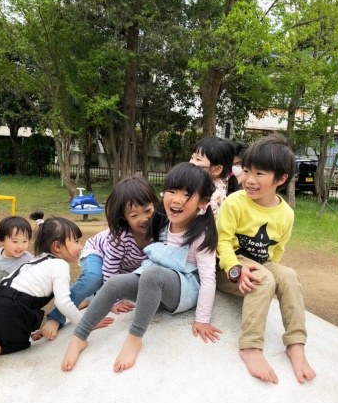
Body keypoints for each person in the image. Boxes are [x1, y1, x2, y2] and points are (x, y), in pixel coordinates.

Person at [61, 162, 222, 373]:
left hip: (182, 290)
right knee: (115, 282)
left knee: (152, 274)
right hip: (153, 285)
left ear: (202, 202)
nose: (176, 199)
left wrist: (202, 319)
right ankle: (79, 337)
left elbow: (208, 278)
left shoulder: (200, 233)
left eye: (186, 195)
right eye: (172, 191)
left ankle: (134, 338)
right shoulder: (162, 221)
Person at [216, 133, 316, 384]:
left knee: (289, 276)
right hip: (230, 266)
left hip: (261, 264)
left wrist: (272, 275)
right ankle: (250, 346)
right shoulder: (235, 202)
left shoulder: (286, 214)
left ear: (281, 179)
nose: (249, 180)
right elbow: (222, 242)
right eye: (246, 170)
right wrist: (235, 269)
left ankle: (296, 344)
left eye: (259, 173)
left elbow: (277, 251)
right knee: (264, 278)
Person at [0, 215, 98, 377]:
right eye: (77, 241)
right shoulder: (60, 265)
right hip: (9, 312)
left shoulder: (36, 259)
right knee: (21, 344)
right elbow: (63, 303)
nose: (80, 246)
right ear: (57, 246)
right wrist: (85, 324)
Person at [39, 176, 159, 341]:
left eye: (148, 211)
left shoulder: (159, 231)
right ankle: (55, 317)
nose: (143, 219)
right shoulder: (119, 237)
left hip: (124, 266)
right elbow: (110, 270)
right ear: (124, 217)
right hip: (97, 252)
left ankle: (89, 298)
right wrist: (114, 301)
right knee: (94, 278)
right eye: (134, 215)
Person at [189, 136, 239, 216]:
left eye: (198, 159)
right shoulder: (202, 184)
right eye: (192, 157)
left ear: (216, 169)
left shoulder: (215, 198)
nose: (191, 162)